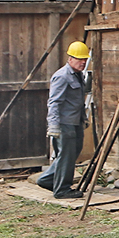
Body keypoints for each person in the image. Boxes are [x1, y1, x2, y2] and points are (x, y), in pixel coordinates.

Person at [37, 41, 90, 199]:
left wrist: (84, 118)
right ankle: (62, 190)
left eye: (85, 59)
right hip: (64, 124)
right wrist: (53, 126)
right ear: (70, 59)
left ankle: (47, 180)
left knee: (72, 154)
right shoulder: (61, 76)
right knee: (66, 155)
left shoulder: (78, 75)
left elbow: (78, 101)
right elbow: (54, 103)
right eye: (79, 59)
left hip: (75, 122)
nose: (83, 62)